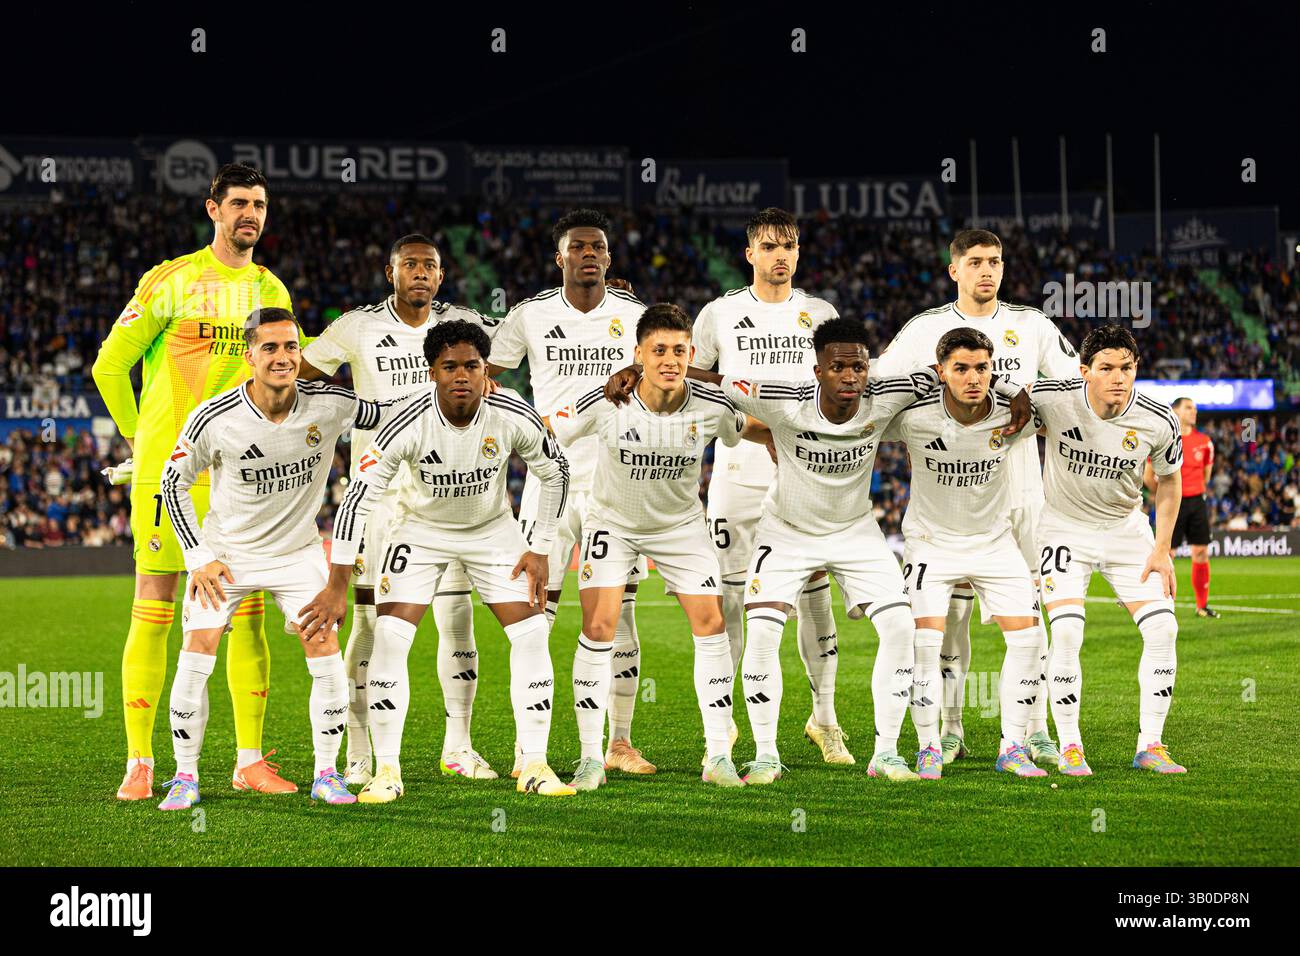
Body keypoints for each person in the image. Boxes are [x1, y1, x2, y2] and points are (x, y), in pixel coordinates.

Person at [663, 317, 1028, 783]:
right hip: (787, 533)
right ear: (818, 371)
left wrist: (1012, 386)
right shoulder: (782, 399)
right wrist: (644, 370)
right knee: (762, 634)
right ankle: (766, 754)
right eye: (838, 367)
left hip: (856, 532)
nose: (850, 377)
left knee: (901, 628)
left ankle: (888, 753)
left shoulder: (890, 392)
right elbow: (712, 378)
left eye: (858, 367)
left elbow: (956, 370)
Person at [92, 163, 297, 801]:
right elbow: (109, 365)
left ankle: (249, 760)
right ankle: (140, 761)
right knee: (153, 613)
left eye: (260, 204)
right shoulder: (171, 281)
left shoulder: (273, 290)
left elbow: (282, 379)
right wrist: (136, 440)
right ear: (213, 209)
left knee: (248, 619)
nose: (251, 215)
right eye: (239, 202)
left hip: (244, 481)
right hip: (171, 478)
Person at [328, 320, 576, 800]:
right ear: (432, 371)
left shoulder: (512, 413)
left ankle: (536, 764)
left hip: (492, 530)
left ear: (486, 370)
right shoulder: (406, 420)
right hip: (421, 531)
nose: (462, 375)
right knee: (391, 637)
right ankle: (386, 770)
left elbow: (556, 471)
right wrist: (339, 579)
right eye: (450, 366)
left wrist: (540, 545)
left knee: (530, 633)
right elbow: (359, 496)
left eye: (472, 365)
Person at [155, 308, 386, 810]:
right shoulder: (214, 418)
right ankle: (184, 776)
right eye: (270, 348)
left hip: (297, 553)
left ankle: (327, 772)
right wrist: (197, 556)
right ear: (249, 355)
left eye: (290, 347)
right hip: (227, 557)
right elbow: (170, 482)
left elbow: (391, 413)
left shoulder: (330, 404)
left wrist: (469, 391)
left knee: (324, 649)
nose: (282, 357)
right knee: (196, 654)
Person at [873, 227, 1081, 768]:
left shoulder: (1031, 325)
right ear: (954, 270)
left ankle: (1032, 732)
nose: (986, 271)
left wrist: (1022, 394)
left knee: (1034, 617)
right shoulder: (925, 329)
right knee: (951, 622)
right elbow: (876, 385)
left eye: (995, 261)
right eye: (975, 262)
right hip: (952, 497)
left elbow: (1072, 389)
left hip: (1023, 493)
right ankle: (948, 727)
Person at [299, 233, 503, 784]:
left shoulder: (464, 323)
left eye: (430, 266)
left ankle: (458, 745)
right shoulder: (356, 326)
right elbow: (302, 380)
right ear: (390, 273)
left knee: (458, 624)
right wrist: (347, 415)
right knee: (371, 623)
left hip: (453, 496)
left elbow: (495, 372)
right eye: (409, 264)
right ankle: (362, 752)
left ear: (441, 276)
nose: (420, 273)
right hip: (383, 504)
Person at [551, 303, 770, 789]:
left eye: (678, 350)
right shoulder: (609, 400)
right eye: (658, 351)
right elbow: (550, 425)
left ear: (691, 353)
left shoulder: (712, 407)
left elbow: (750, 429)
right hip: (613, 524)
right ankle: (591, 757)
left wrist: (793, 439)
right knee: (600, 626)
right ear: (638, 355)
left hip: (681, 528)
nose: (669, 360)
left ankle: (717, 756)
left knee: (712, 624)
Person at [487, 209, 656, 776]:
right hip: (549, 480)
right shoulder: (529, 315)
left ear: (610, 257)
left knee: (620, 615)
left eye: (599, 247)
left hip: (619, 482)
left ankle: (619, 743)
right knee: (535, 617)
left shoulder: (635, 316)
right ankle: (525, 750)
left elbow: (664, 373)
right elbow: (487, 370)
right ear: (559, 258)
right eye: (578, 247)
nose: (589, 254)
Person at [687, 208, 849, 765]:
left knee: (814, 598)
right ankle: (727, 723)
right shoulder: (720, 313)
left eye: (790, 245)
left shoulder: (819, 312)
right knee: (731, 600)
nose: (781, 255)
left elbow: (841, 385)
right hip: (737, 474)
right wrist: (757, 429)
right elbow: (697, 381)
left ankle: (824, 718)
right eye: (770, 246)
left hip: (808, 476)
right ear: (749, 253)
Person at [879, 327, 1047, 778]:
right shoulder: (914, 419)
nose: (973, 378)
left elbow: (1067, 404)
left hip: (995, 543)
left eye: (982, 368)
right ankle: (929, 746)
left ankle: (1012, 746)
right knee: (926, 645)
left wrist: (1014, 391)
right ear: (941, 372)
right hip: (931, 545)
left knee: (1029, 640)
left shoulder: (1014, 416)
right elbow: (864, 403)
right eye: (961, 369)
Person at [1030, 325, 1187, 775]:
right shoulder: (1055, 398)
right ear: (1085, 372)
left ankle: (1151, 744)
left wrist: (1162, 547)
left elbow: (1170, 480)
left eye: (1126, 368)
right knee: (1067, 634)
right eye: (1106, 368)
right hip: (1063, 529)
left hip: (1127, 531)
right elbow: (1007, 409)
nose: (1118, 377)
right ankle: (1070, 745)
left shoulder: (1158, 419)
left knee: (1164, 631)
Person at [1144, 397, 1218, 618]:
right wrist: (1164, 494)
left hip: (1197, 501)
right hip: (1172, 502)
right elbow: (1148, 477)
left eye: (1195, 408)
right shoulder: (1165, 439)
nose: (1194, 411)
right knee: (1166, 553)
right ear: (1175, 412)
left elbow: (1207, 474)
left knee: (1201, 552)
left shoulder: (1205, 441)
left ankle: (1202, 606)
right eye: (1189, 407)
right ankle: (1160, 606)